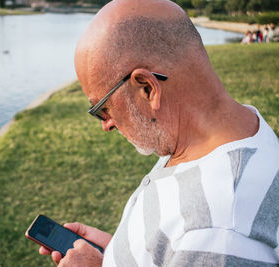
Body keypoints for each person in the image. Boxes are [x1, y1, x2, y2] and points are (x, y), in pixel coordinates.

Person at [39, 0, 279, 266]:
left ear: (147, 89)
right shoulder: (219, 134)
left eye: (102, 108)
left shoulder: (214, 231)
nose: (105, 124)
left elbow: (199, 241)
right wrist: (116, 253)